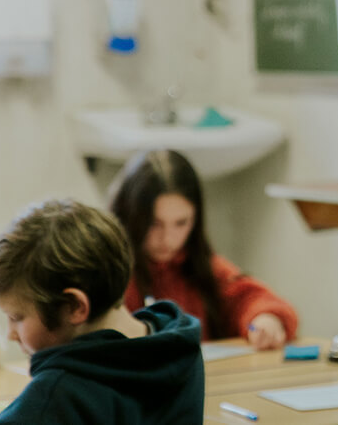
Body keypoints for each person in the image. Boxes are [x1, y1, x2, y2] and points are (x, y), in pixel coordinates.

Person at [0, 198, 204, 423]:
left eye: (17, 317)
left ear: (75, 306)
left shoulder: (60, 393)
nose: (11, 333)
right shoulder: (183, 351)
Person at [108, 149, 298, 350]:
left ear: (196, 220)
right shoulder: (110, 273)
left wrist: (265, 319)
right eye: (154, 223)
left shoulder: (199, 264)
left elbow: (249, 298)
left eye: (181, 223)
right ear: (129, 215)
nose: (167, 238)